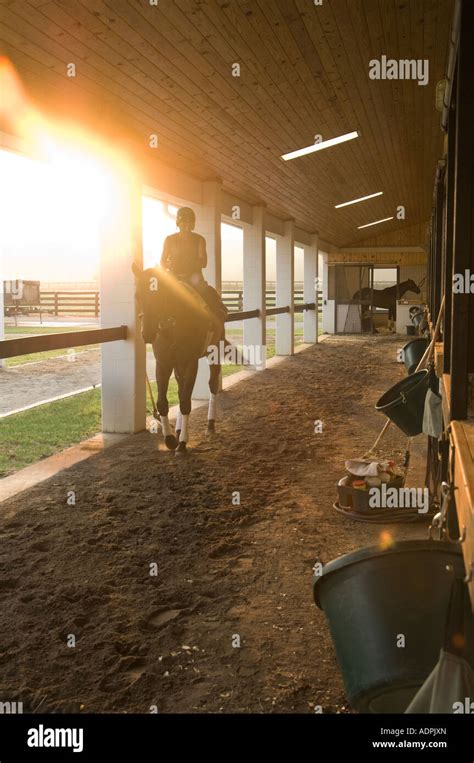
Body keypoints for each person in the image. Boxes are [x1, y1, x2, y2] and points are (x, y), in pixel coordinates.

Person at [160, 207, 227, 321]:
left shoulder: (199, 239)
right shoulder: (169, 240)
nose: (186, 227)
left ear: (193, 225)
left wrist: (188, 263)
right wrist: (170, 264)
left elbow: (204, 262)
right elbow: (162, 262)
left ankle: (217, 316)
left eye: (189, 223)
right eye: (184, 223)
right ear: (178, 223)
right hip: (173, 278)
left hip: (194, 278)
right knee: (158, 297)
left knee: (206, 294)